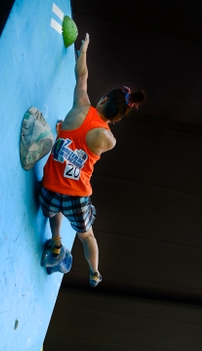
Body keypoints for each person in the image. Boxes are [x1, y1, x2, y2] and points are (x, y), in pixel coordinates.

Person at [39, 33, 145, 287]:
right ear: (117, 119)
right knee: (87, 236)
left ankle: (55, 243)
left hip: (49, 189)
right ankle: (94, 272)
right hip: (78, 196)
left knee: (54, 210)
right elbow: (89, 142)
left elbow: (82, 76)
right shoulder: (109, 140)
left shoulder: (80, 104)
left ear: (103, 99)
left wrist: (83, 51)